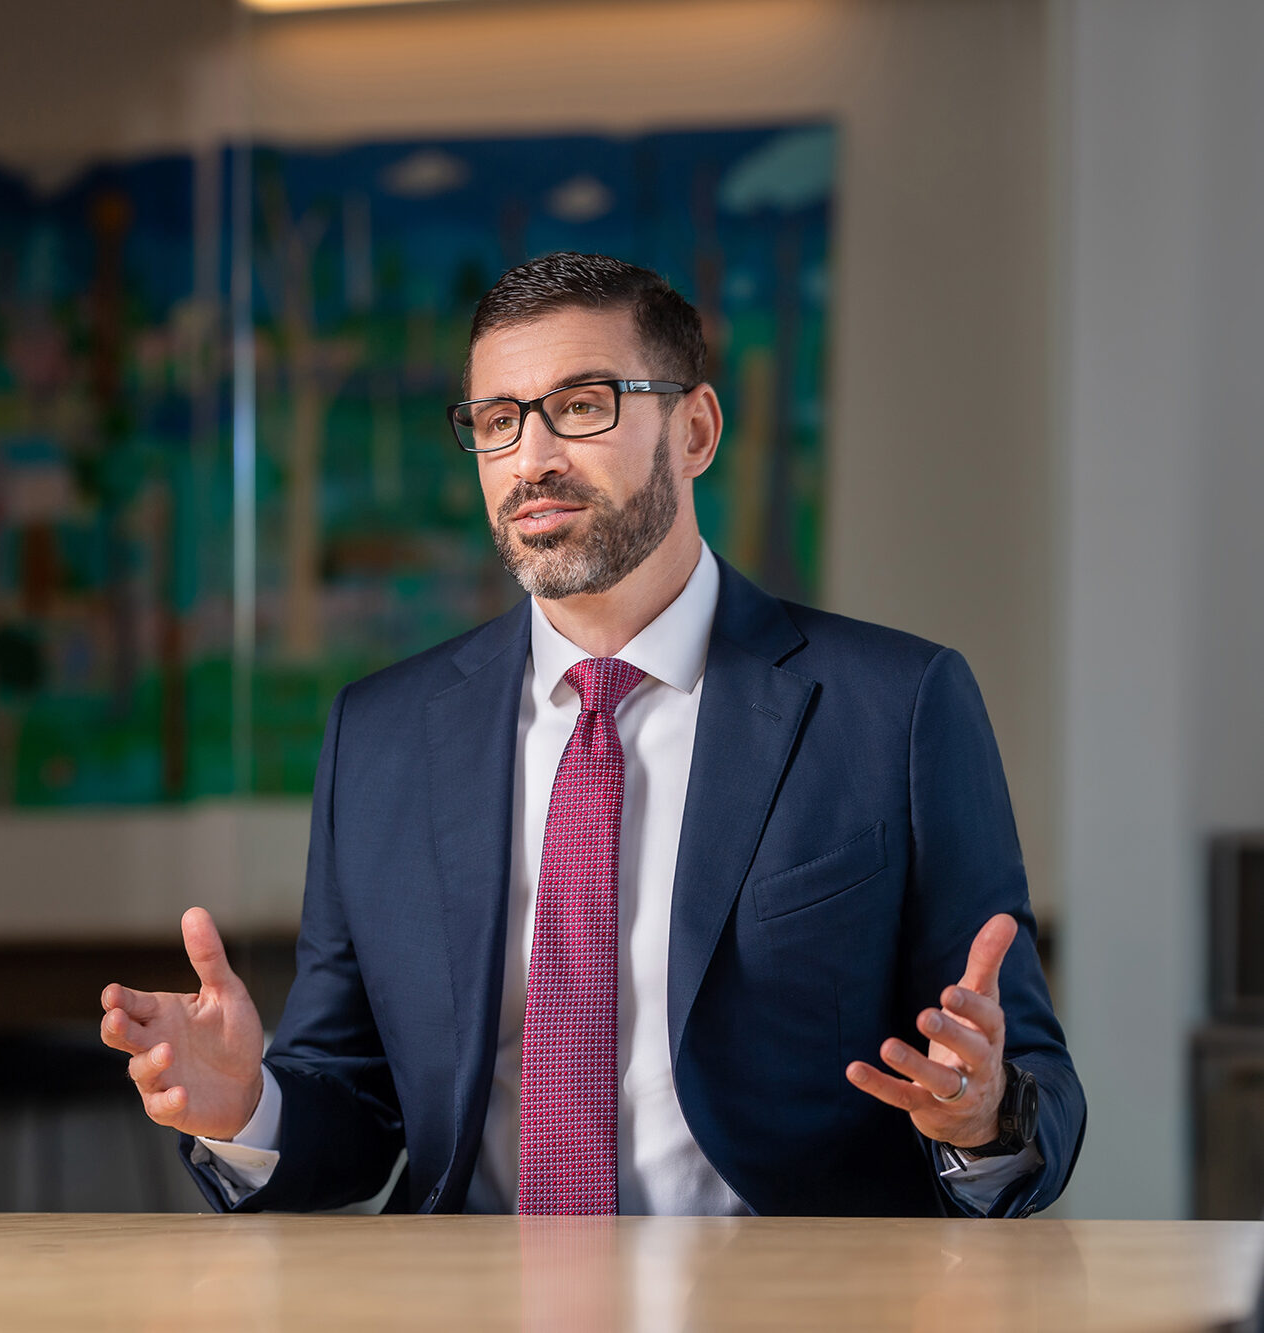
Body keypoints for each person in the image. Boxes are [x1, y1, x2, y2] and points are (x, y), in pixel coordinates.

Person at [100, 252, 1085, 1218]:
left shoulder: (898, 708)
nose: (532, 459)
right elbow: (356, 1105)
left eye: (582, 405)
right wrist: (248, 1106)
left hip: (783, 1305)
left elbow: (1032, 1088)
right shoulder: (382, 734)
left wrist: (983, 1112)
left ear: (694, 429)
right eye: (497, 421)